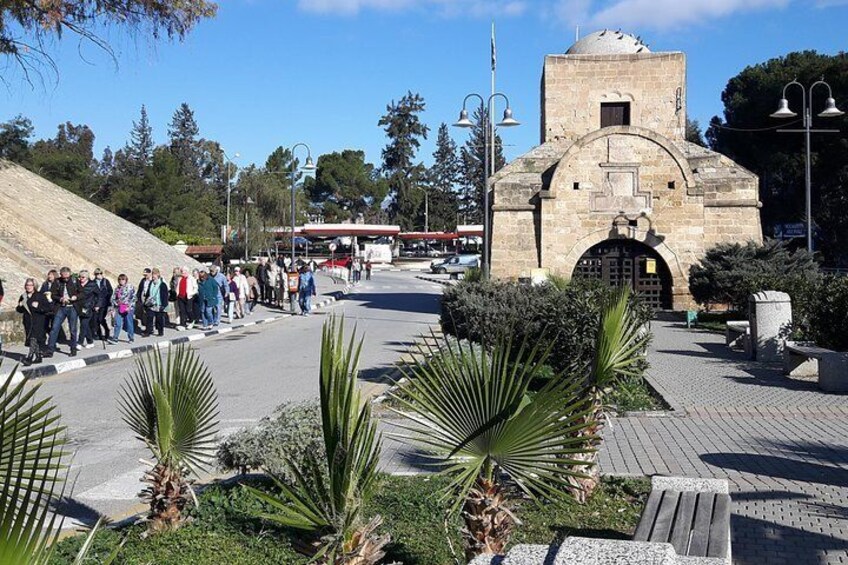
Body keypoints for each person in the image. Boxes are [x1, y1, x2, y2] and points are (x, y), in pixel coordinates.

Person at [47, 267, 81, 357]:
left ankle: (73, 348)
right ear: (61, 275)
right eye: (64, 277)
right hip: (61, 307)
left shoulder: (74, 281)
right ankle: (50, 349)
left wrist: (75, 297)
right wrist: (60, 298)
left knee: (73, 329)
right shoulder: (57, 282)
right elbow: (53, 294)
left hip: (72, 307)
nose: (66, 279)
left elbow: (82, 293)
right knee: (54, 328)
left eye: (67, 277)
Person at [16, 278, 51, 366]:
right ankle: (38, 356)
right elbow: (20, 310)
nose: (28, 287)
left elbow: (48, 308)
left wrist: (38, 306)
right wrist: (19, 306)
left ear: (34, 286)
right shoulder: (23, 296)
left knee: (33, 338)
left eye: (30, 285)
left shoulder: (40, 296)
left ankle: (29, 357)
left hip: (38, 321)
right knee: (33, 338)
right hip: (28, 321)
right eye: (27, 285)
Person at [109, 274, 135, 344]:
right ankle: (115, 338)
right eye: (120, 279)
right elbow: (113, 298)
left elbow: (133, 298)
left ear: (126, 280)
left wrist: (129, 306)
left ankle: (131, 337)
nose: (121, 281)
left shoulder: (130, 287)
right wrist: (114, 305)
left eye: (123, 279)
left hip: (127, 308)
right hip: (119, 307)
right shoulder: (117, 288)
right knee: (117, 323)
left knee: (129, 323)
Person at [144, 268, 169, 337]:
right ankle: (148, 331)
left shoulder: (162, 284)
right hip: (151, 304)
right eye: (152, 274)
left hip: (159, 304)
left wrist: (164, 305)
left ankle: (160, 331)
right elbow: (148, 293)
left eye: (154, 274)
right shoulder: (151, 284)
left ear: (158, 275)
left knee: (159, 319)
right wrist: (146, 302)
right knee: (149, 317)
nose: (153, 276)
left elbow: (165, 295)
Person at [77, 270, 99, 349]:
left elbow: (99, 295)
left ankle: (80, 342)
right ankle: (90, 341)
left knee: (83, 324)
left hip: (88, 307)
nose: (80, 279)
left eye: (83, 277)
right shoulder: (78, 284)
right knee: (85, 325)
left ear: (87, 277)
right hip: (79, 307)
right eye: (79, 277)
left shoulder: (92, 285)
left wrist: (97, 305)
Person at [92, 268, 113, 341]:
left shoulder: (105, 281)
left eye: (100, 273)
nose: (99, 275)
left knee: (101, 319)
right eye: (97, 274)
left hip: (104, 304)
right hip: (96, 304)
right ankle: (99, 334)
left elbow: (110, 291)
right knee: (95, 320)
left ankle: (107, 330)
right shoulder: (93, 282)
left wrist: (106, 299)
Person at [136, 268, 152, 335]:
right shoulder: (143, 280)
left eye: (146, 275)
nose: (145, 276)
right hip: (143, 298)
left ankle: (150, 328)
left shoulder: (152, 281)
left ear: (149, 273)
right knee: (144, 313)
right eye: (144, 275)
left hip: (150, 298)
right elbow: (140, 289)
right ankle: (146, 327)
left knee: (149, 313)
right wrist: (138, 297)